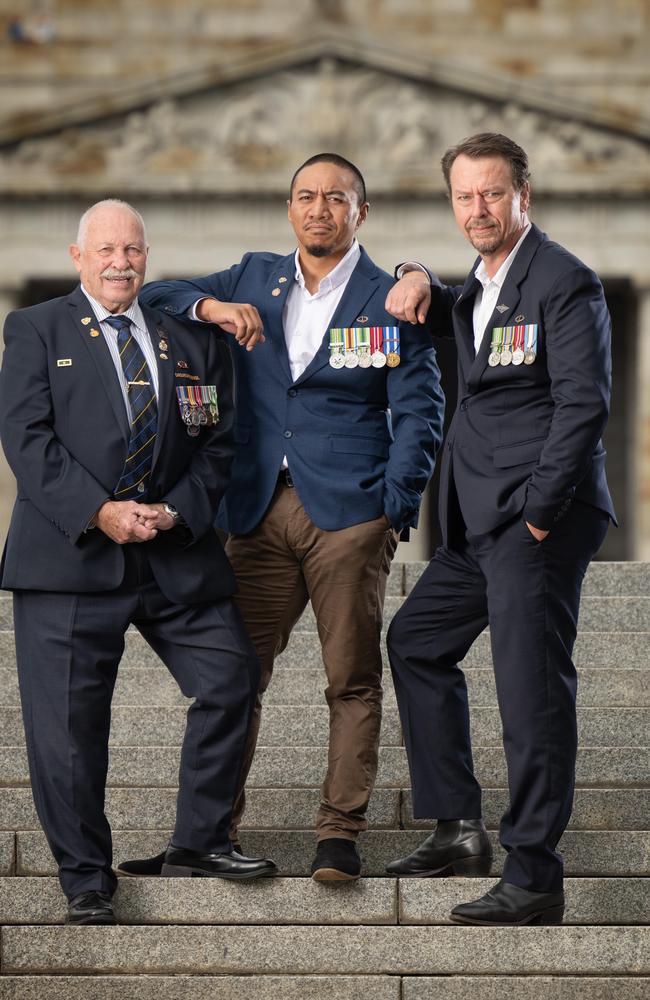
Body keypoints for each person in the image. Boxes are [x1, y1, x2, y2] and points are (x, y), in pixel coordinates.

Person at [118, 153, 444, 881]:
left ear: (362, 213)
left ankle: (338, 836)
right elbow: (158, 294)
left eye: (336, 198)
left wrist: (393, 505)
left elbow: (422, 410)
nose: (319, 209)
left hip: (349, 515)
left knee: (351, 679)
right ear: (288, 207)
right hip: (255, 510)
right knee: (232, 675)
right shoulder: (250, 276)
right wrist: (211, 308)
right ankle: (203, 836)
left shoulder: (390, 297)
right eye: (306, 196)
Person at [0, 200, 277, 926]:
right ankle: (86, 878)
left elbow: (220, 443)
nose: (120, 261)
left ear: (146, 257)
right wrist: (99, 511)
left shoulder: (191, 338)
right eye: (106, 249)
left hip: (173, 555)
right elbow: (27, 439)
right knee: (67, 730)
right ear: (78, 255)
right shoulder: (35, 329)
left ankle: (201, 840)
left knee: (230, 678)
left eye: (133, 249)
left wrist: (176, 511)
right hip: (70, 557)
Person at [384, 132, 615, 924]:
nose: (478, 209)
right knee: (415, 641)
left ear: (525, 195)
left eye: (492, 193)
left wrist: (543, 516)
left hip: (533, 519)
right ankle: (456, 827)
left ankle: (534, 876)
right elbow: (443, 303)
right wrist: (411, 270)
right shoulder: (478, 290)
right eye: (464, 196)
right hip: (478, 525)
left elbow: (584, 402)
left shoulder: (564, 280)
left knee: (530, 693)